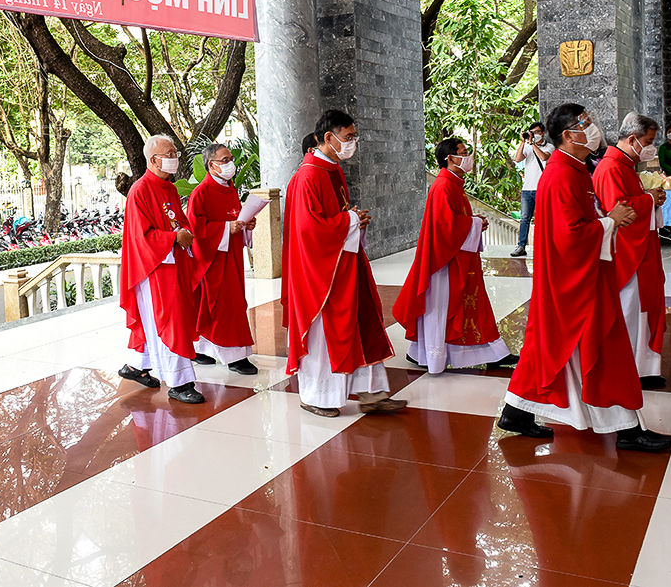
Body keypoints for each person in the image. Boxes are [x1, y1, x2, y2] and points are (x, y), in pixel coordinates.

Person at [497, 103, 671, 453]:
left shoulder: (574, 168)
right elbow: (570, 236)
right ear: (568, 135)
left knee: (551, 349)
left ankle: (516, 412)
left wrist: (608, 219)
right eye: (586, 124)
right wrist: (611, 221)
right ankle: (626, 428)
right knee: (605, 347)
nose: (594, 129)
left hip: (579, 276)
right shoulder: (561, 174)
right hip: (577, 280)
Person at [282, 109, 405, 418]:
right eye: (348, 137)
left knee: (363, 323)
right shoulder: (307, 176)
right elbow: (309, 230)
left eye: (354, 137)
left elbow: (337, 216)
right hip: (321, 275)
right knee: (327, 335)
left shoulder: (332, 170)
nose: (353, 143)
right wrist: (350, 220)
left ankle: (372, 393)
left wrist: (354, 220)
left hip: (344, 264)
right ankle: (317, 396)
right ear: (328, 137)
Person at [393, 137, 516, 372]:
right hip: (445, 263)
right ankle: (429, 354)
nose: (468, 156)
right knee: (441, 309)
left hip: (457, 258)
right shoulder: (442, 186)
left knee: (466, 307)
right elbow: (444, 227)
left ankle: (487, 352)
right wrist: (474, 224)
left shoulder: (453, 184)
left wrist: (474, 224)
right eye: (464, 152)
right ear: (450, 158)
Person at [118, 134, 204, 404]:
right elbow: (139, 237)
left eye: (174, 152)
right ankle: (179, 382)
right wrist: (173, 238)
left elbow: (178, 220)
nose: (175, 157)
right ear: (154, 160)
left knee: (157, 322)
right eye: (169, 153)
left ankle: (135, 365)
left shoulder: (167, 187)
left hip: (172, 263)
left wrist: (185, 232)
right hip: (154, 268)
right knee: (168, 321)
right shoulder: (139, 191)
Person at [592, 112, 668, 391]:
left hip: (641, 250)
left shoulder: (625, 165)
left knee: (642, 309)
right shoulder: (611, 167)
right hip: (627, 253)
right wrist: (650, 199)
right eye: (648, 141)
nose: (650, 147)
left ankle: (643, 367)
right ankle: (627, 367)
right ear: (633, 139)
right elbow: (619, 213)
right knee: (630, 311)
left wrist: (652, 200)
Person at [186, 143, 259, 376]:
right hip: (214, 261)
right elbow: (196, 228)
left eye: (230, 159)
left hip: (232, 257)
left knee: (235, 303)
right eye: (225, 160)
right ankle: (234, 356)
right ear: (211, 165)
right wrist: (227, 228)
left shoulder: (229, 189)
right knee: (223, 305)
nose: (231, 164)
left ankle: (209, 349)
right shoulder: (201, 193)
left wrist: (246, 224)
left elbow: (234, 219)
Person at [510, 121, 553, 257]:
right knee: (524, 218)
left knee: (543, 219)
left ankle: (543, 246)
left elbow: (544, 157)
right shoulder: (528, 147)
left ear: (543, 133)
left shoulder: (550, 147)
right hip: (527, 188)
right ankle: (521, 246)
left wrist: (533, 143)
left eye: (537, 132)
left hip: (542, 188)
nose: (534, 135)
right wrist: (523, 142)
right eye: (532, 133)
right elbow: (517, 159)